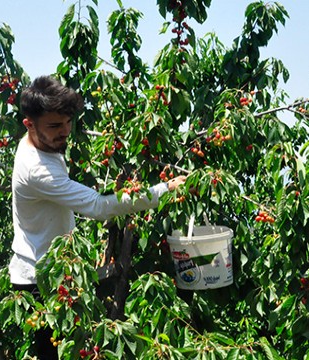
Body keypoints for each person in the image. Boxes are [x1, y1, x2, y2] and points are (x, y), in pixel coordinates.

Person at [9, 75, 186, 359]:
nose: (65, 131)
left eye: (68, 122)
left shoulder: (39, 141)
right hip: (39, 278)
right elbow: (98, 207)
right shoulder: (37, 170)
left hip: (53, 266)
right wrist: (163, 190)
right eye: (55, 126)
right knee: (56, 352)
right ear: (28, 124)